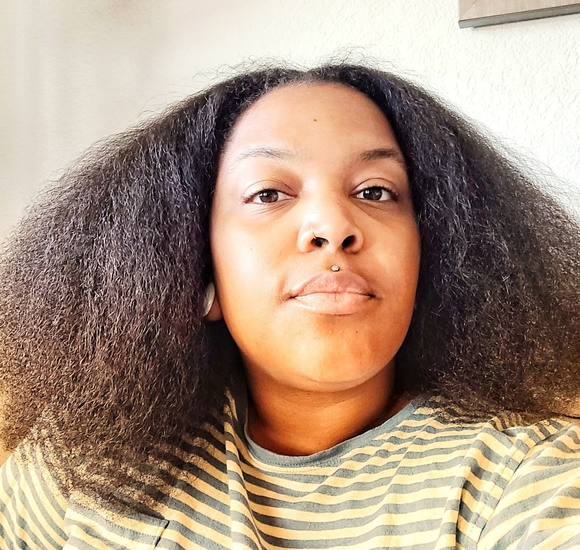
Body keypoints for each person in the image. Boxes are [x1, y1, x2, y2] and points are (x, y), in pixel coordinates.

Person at [0, 63, 579, 549]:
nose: (332, 226)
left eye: (375, 191)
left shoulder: (524, 476)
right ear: (194, 264)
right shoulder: (82, 468)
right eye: (269, 193)